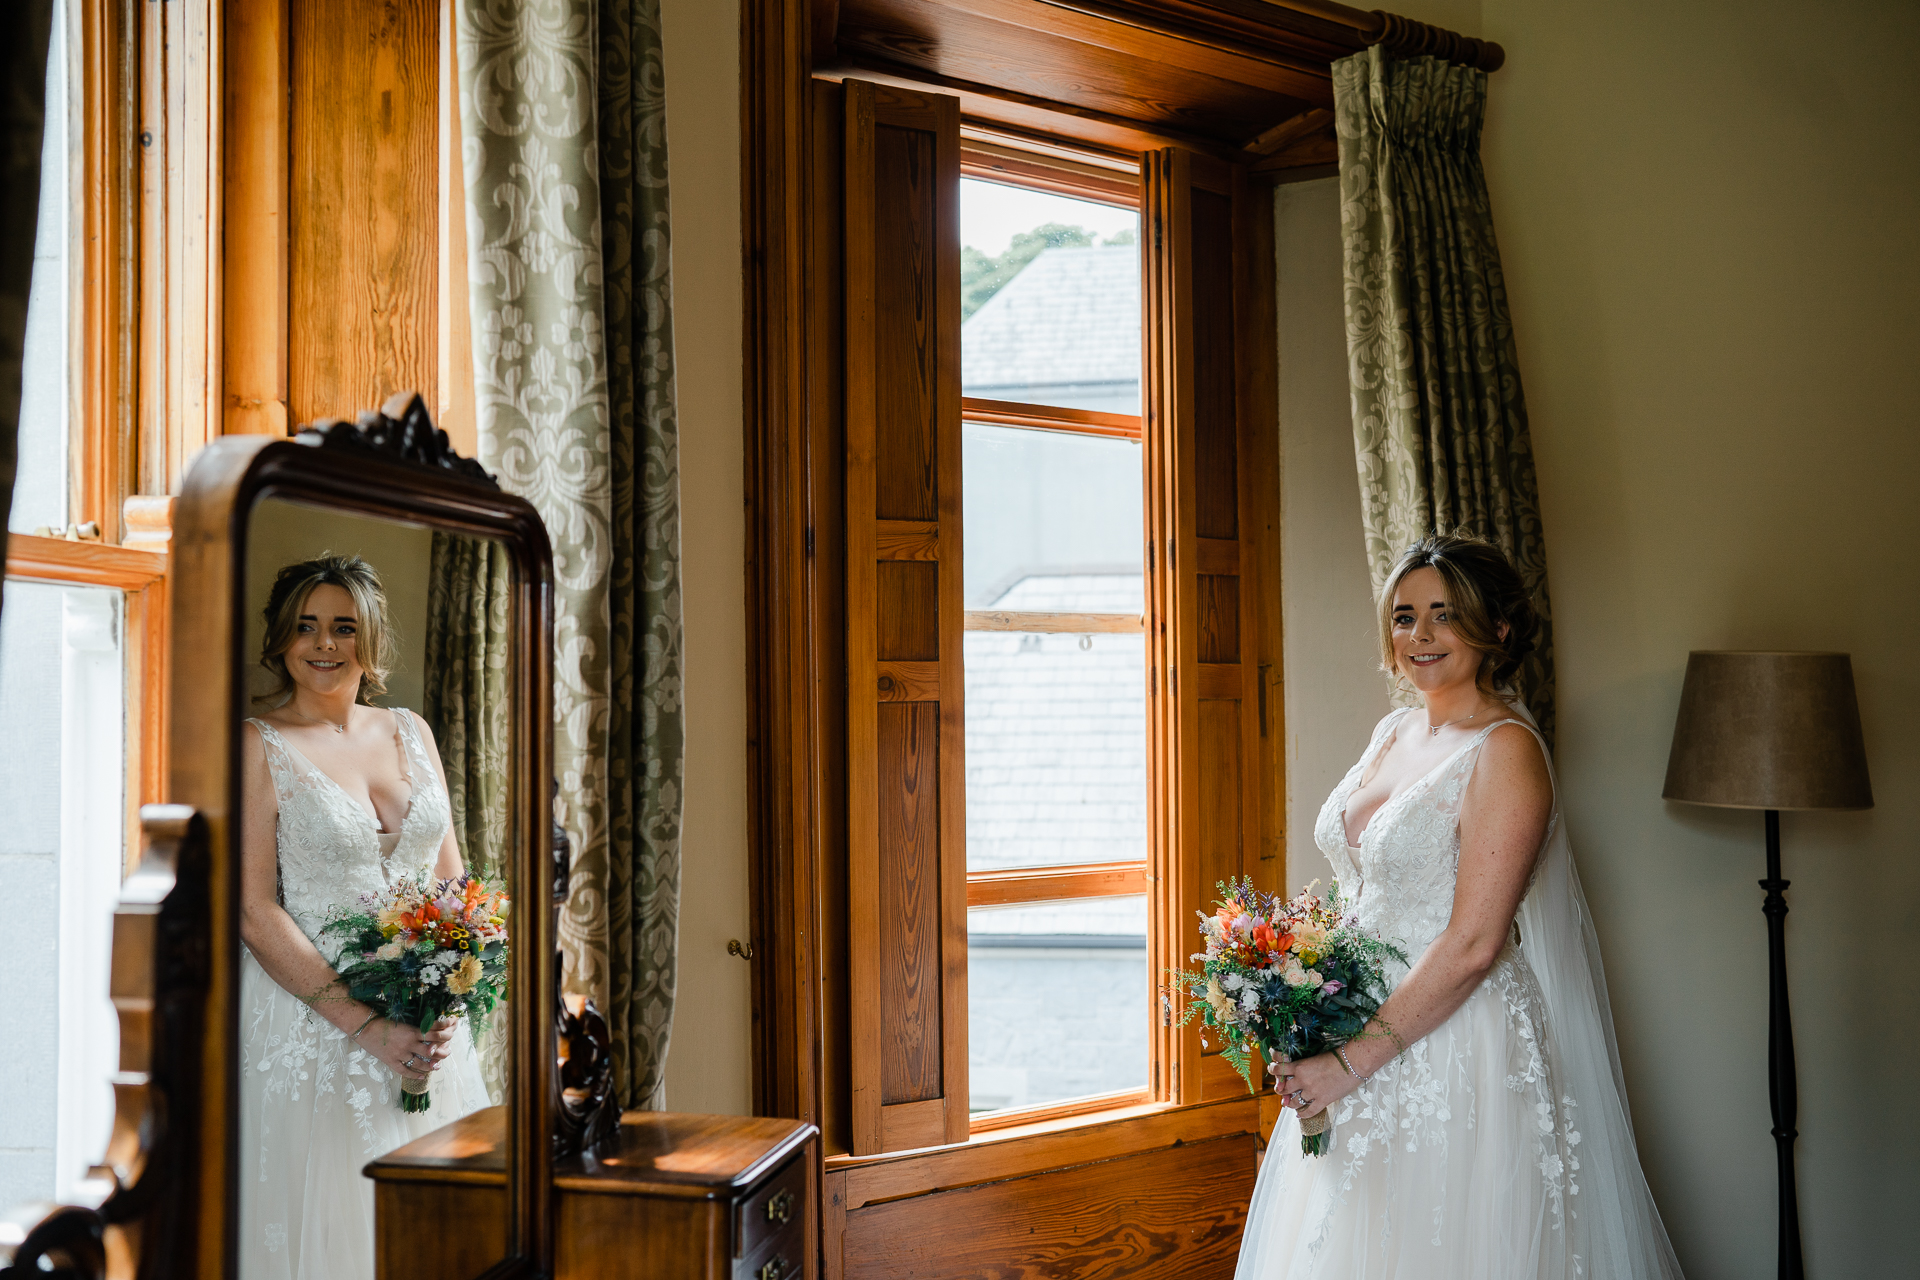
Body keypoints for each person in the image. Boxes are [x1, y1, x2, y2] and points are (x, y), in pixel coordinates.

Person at [1235, 533, 1684, 1279]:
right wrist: (1297, 991)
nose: (1420, 635)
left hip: (1453, 1042)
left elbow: (1475, 940)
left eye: (1445, 615)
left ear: (1497, 630)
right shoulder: (1395, 729)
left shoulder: (1506, 751)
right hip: (1355, 1027)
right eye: (1405, 616)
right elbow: (1364, 886)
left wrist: (1349, 1062)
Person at [237, 554, 491, 1280]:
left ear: (370, 637)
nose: (324, 645)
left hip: (429, 1026)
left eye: (343, 627)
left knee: (433, 1229)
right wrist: (369, 1026)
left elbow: (455, 888)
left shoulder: (411, 731)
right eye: (306, 627)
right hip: (314, 1026)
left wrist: (451, 997)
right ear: (281, 640)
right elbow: (255, 912)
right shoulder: (260, 745)